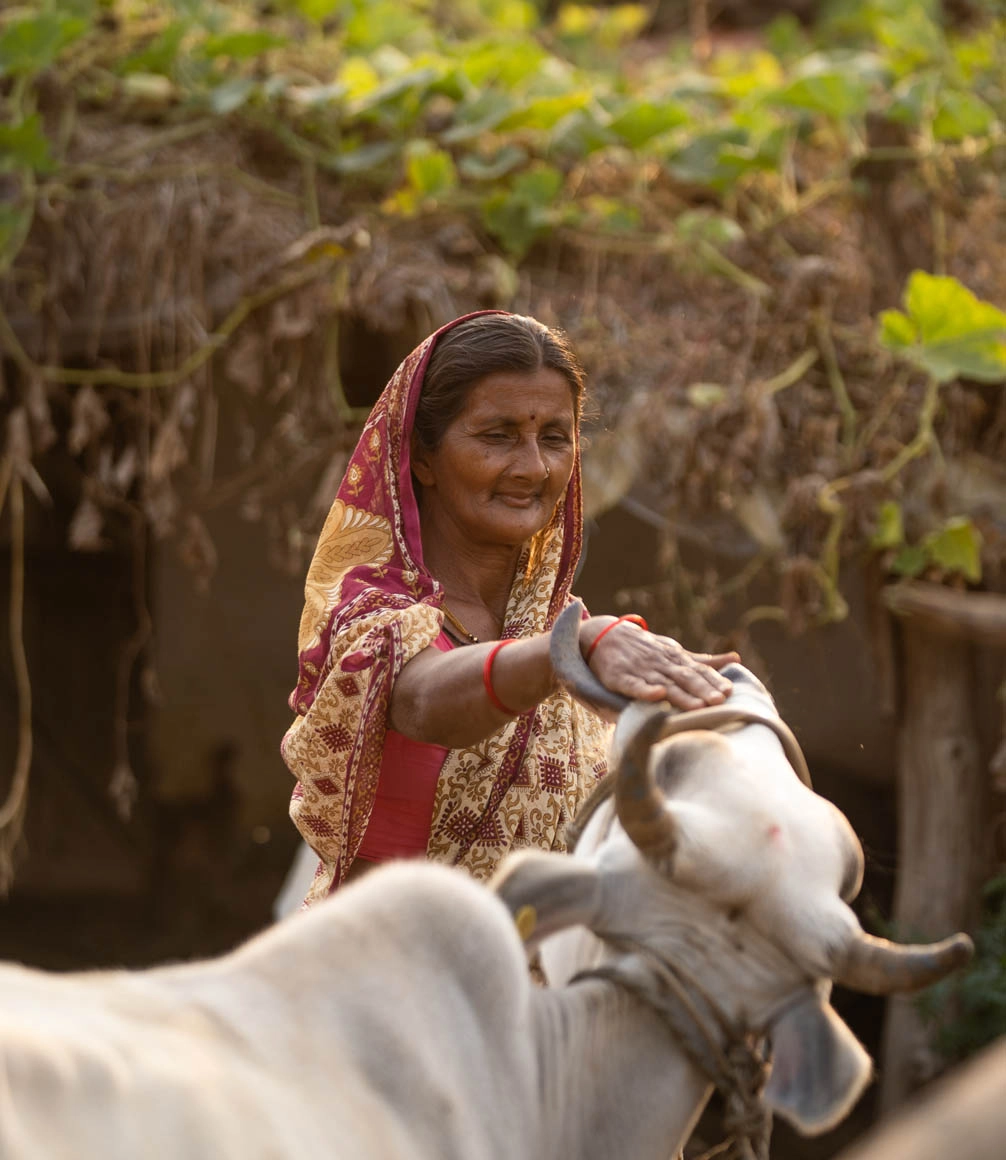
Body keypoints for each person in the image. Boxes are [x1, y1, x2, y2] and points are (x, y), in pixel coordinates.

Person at [280, 311, 737, 908]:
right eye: (497, 436)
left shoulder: (556, 628)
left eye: (554, 437)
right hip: (388, 986)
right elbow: (424, 700)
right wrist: (570, 650)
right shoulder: (374, 619)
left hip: (535, 995)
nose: (533, 468)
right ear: (421, 456)